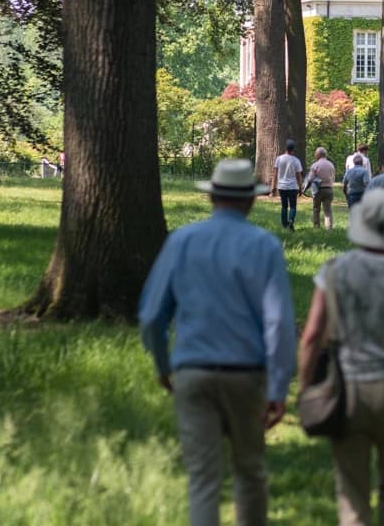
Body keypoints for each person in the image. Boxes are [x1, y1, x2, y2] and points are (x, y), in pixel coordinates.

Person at [138, 159, 297, 526]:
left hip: (192, 370)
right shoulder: (265, 246)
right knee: (250, 471)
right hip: (247, 374)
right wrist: (278, 386)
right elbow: (277, 322)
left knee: (203, 478)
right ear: (251, 201)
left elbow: (151, 317)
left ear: (211, 197)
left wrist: (164, 365)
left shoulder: (181, 241)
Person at [298, 190, 384, 526]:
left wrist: (306, 388)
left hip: (348, 388)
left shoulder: (334, 271)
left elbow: (313, 336)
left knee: (352, 491)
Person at [271, 139, 303, 231]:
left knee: (284, 206)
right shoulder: (296, 161)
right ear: (293, 149)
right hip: (293, 187)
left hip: (282, 186)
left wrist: (273, 186)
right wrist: (300, 187)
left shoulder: (279, 159)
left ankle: (284, 225)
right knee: (293, 206)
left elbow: (275, 174)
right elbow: (298, 175)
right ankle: (291, 221)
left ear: (286, 148)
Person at [305, 147, 337, 229]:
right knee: (328, 210)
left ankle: (316, 227)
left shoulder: (315, 165)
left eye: (315, 153)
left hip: (318, 190)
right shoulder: (331, 165)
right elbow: (333, 178)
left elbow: (310, 178)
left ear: (318, 154)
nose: (315, 155)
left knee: (316, 209)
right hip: (329, 189)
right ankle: (329, 228)